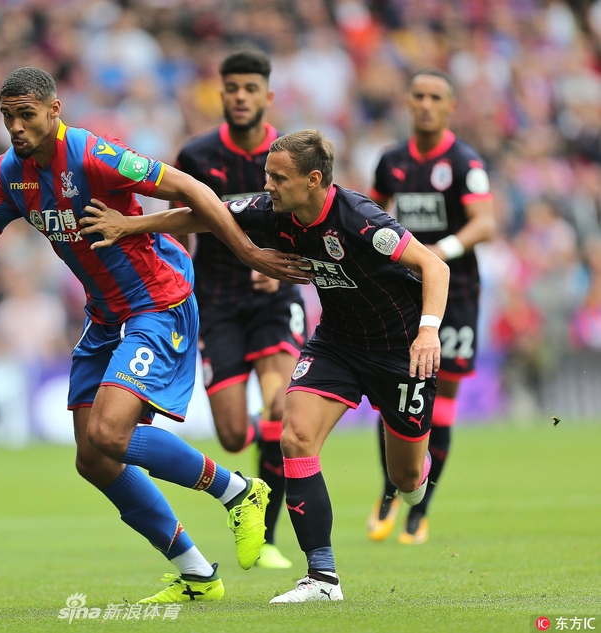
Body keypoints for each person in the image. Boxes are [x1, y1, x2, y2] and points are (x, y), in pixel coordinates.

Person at [0, 67, 302, 604]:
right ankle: (198, 574)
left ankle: (239, 492)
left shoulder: (94, 155)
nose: (15, 127)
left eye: (26, 115)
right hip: (106, 316)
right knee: (93, 459)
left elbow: (189, 188)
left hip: (157, 303)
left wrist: (249, 252)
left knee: (110, 434)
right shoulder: (8, 173)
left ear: (54, 110)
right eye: (7, 117)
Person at [78, 129, 450, 603]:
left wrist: (428, 331)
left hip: (401, 351)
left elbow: (435, 267)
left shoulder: (360, 220)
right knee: (294, 436)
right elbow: (203, 215)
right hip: (337, 344)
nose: (267, 185)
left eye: (278, 177)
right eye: (267, 175)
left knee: (405, 480)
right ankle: (322, 579)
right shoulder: (271, 210)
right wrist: (132, 225)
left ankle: (416, 475)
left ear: (313, 180)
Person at [171, 49, 305, 570]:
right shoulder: (197, 156)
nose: (241, 97)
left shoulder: (289, 153)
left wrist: (284, 267)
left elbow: (312, 222)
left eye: (251, 88)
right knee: (230, 436)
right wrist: (178, 288)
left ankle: (267, 538)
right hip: (218, 302)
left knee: (279, 408)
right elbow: (178, 227)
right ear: (221, 94)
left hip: (275, 300)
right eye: (232, 89)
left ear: (267, 95)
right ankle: (256, 468)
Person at [366, 69, 495, 545]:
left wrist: (440, 251)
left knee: (443, 403)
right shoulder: (391, 161)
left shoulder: (464, 161)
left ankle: (420, 512)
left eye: (435, 97)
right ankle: (389, 491)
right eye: (418, 95)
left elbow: (485, 223)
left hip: (456, 295)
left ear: (450, 106)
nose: (425, 104)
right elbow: (371, 211)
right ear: (407, 102)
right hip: (404, 292)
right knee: (393, 392)